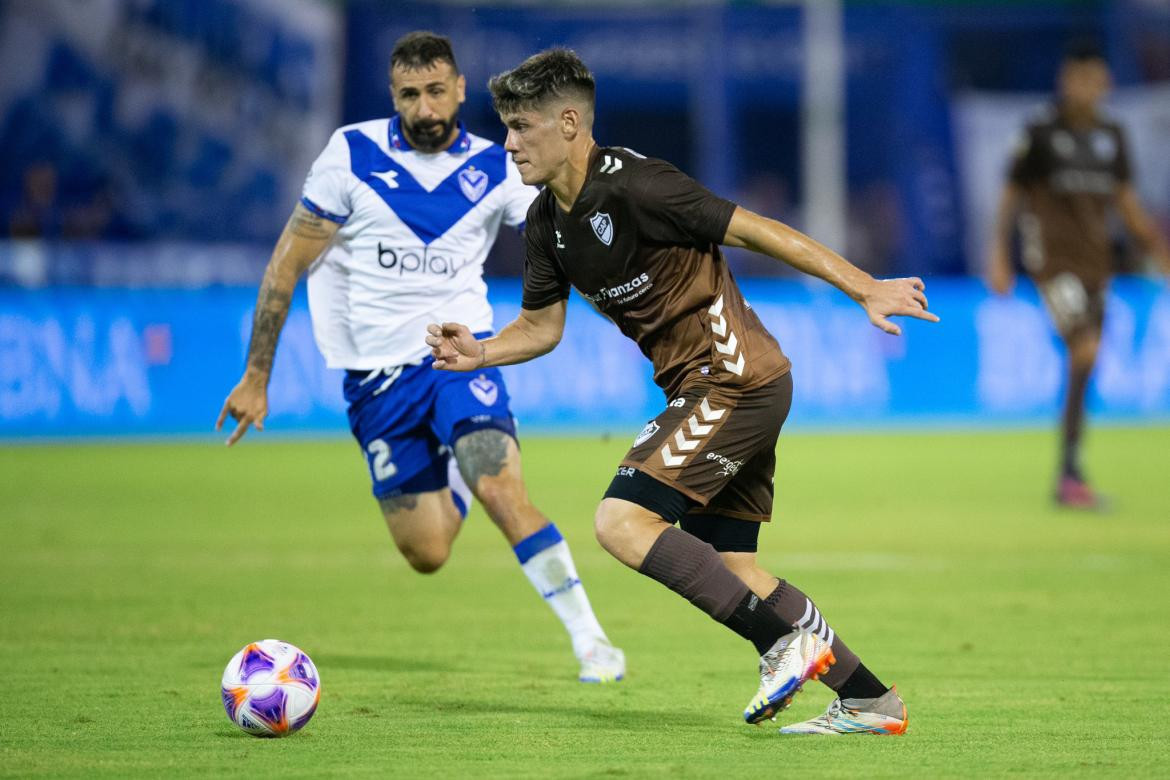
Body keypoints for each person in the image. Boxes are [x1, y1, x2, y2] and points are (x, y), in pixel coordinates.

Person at [426, 48, 937, 734]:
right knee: (735, 569)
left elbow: (760, 231)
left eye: (522, 126)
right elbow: (543, 328)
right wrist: (482, 351)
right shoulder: (547, 222)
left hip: (734, 380)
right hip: (724, 387)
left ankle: (783, 645)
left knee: (621, 521)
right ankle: (872, 700)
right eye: (506, 127)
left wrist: (864, 286)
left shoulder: (638, 185)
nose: (508, 142)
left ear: (571, 123)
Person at [217, 32, 624, 683]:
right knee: (428, 552)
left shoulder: (498, 167)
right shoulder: (351, 155)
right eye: (411, 94)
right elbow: (286, 265)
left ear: (460, 89)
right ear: (393, 96)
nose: (426, 106)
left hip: (456, 359)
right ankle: (455, 466)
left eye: (437, 91)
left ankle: (592, 642)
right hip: (375, 382)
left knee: (502, 489)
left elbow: (566, 226)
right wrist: (257, 374)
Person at [988, 41, 1170, 509]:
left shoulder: (1112, 135)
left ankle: (1069, 471)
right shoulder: (1041, 133)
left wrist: (1157, 249)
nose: (1088, 89)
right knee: (1085, 351)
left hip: (1097, 267)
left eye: (1096, 80)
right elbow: (1012, 194)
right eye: (1079, 78)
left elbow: (1125, 201)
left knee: (1085, 364)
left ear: (1105, 83)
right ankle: (1070, 472)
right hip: (1053, 265)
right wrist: (999, 255)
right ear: (1065, 81)